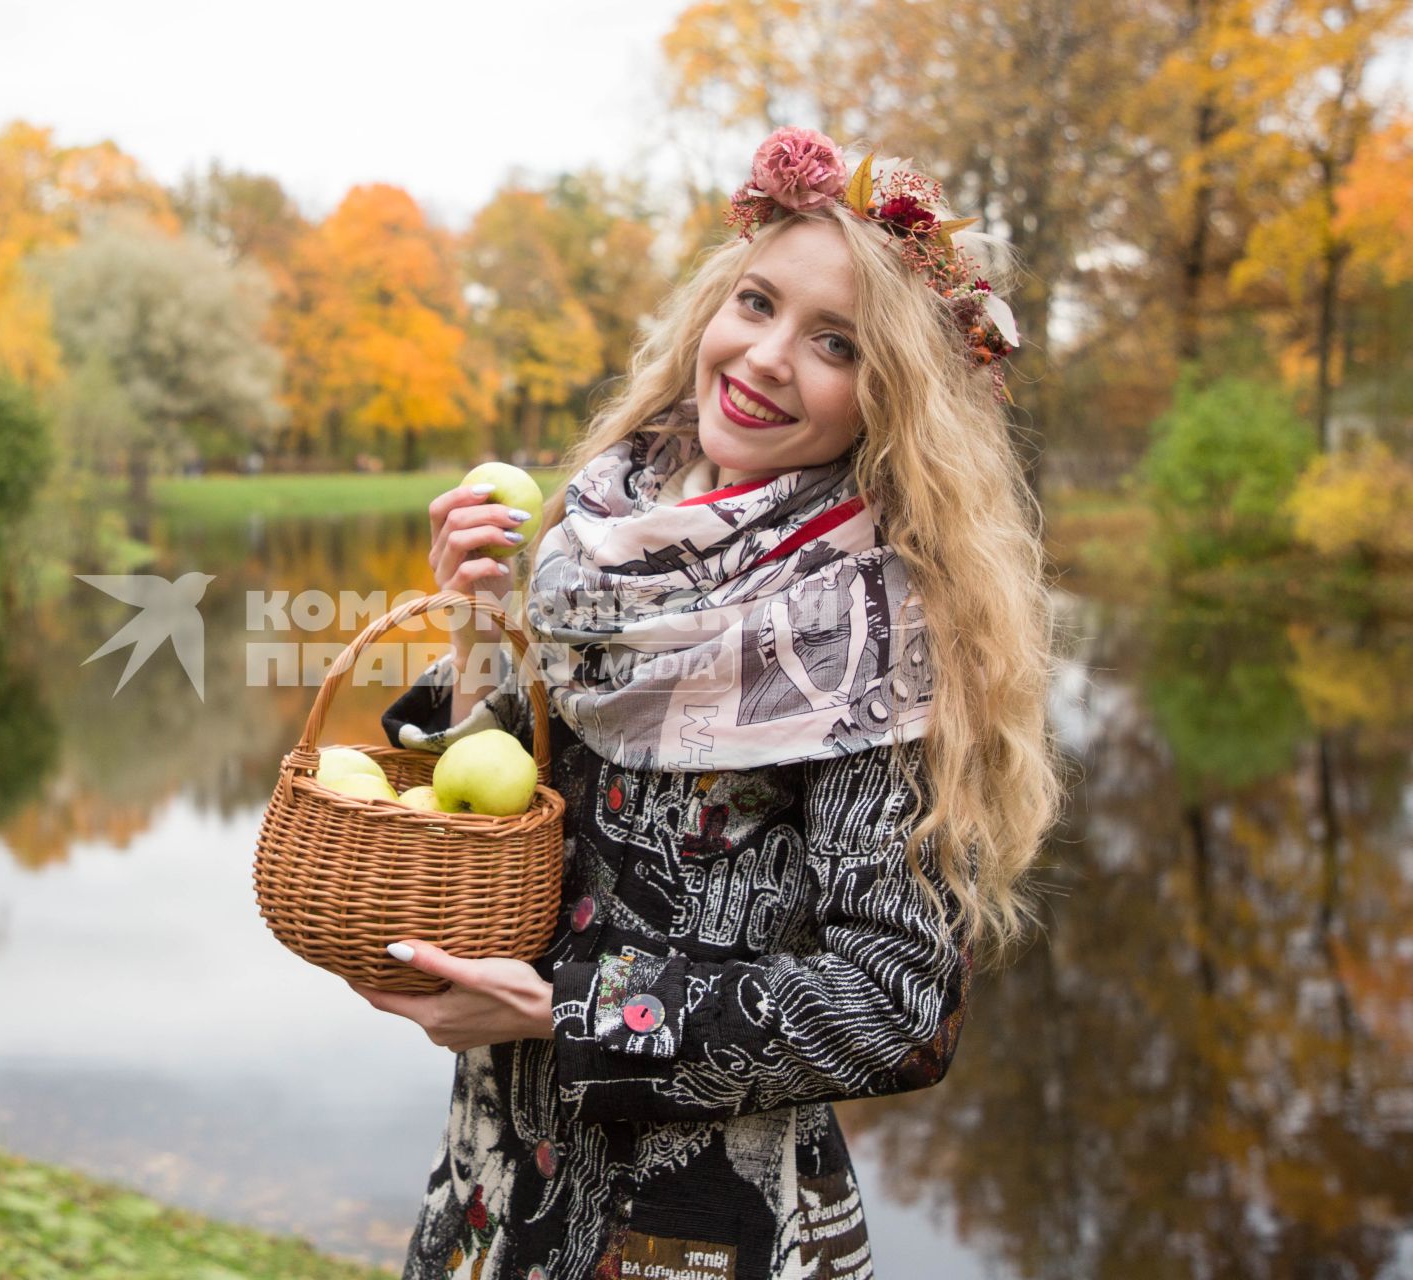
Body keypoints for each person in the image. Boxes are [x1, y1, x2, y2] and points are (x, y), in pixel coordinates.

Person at [349, 126, 1065, 1279]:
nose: (770, 353)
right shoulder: (598, 540)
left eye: (835, 343)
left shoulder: (870, 634)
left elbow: (897, 1002)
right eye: (756, 301)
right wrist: (476, 617)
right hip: (493, 1200)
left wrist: (564, 1011)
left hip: (703, 1234)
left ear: (895, 401)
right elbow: (493, 800)